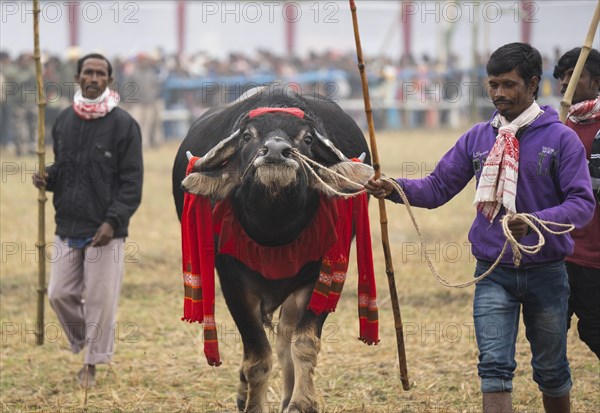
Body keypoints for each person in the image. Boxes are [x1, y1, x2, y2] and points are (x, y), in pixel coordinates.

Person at [365, 43, 595, 413]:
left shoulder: (560, 138)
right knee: (493, 371)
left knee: (552, 371)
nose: (499, 94)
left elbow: (582, 204)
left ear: (533, 83)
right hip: (493, 275)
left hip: (548, 273)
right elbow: (437, 187)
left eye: (509, 84)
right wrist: (394, 188)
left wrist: (534, 221)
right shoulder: (477, 138)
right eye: (493, 85)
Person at [32, 53, 143, 387]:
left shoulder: (124, 125)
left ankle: (91, 365)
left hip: (106, 230)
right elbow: (63, 168)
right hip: (67, 225)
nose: (94, 78)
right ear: (78, 77)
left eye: (100, 74)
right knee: (58, 293)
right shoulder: (64, 120)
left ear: (109, 80)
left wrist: (113, 221)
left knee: (99, 300)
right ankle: (87, 341)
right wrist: (47, 178)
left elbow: (132, 182)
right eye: (88, 73)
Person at [553, 47, 600, 359]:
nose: (565, 83)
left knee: (594, 329)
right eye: (562, 76)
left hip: (593, 254)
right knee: (549, 334)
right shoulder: (557, 125)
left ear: (596, 83)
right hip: (557, 253)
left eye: (574, 76)